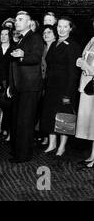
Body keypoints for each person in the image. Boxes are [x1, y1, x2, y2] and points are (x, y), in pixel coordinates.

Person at [40, 17, 81, 157]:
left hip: (64, 88)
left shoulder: (73, 46)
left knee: (64, 117)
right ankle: (52, 144)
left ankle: (62, 146)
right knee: (50, 116)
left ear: (70, 28)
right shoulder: (54, 44)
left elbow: (73, 73)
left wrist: (68, 94)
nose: (61, 29)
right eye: (59, 26)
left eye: (65, 27)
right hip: (51, 87)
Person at [7, 11, 44, 163]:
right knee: (18, 120)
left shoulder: (35, 37)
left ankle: (23, 155)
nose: (17, 22)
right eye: (16, 20)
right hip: (20, 86)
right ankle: (19, 152)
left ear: (29, 23)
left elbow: (36, 57)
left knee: (25, 121)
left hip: (29, 86)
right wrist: (11, 85)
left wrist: (22, 55)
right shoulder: (21, 39)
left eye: (20, 19)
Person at [75, 36, 94, 168]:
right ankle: (93, 156)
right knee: (91, 123)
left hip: (91, 85)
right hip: (87, 86)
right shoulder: (91, 40)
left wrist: (87, 66)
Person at [38, 25, 58, 146]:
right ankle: (47, 137)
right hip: (43, 82)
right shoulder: (43, 47)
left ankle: (54, 142)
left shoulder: (57, 46)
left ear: (54, 34)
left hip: (54, 83)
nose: (46, 34)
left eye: (49, 32)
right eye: (44, 33)